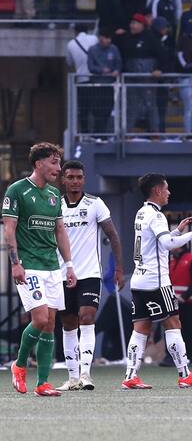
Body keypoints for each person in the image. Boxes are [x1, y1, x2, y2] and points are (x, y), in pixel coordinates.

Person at [122, 174, 192, 389]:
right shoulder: (157, 215)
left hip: (139, 281)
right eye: (167, 188)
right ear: (157, 190)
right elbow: (169, 244)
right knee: (173, 324)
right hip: (156, 282)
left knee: (140, 329)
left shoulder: (141, 212)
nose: (169, 193)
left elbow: (157, 242)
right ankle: (184, 374)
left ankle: (130, 376)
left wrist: (177, 230)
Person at [4, 143, 77, 397]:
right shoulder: (17, 190)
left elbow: (60, 231)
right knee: (40, 319)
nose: (59, 168)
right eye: (54, 163)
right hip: (29, 266)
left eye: (59, 162)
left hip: (52, 268)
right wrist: (15, 263)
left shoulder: (55, 195)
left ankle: (42, 383)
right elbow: (9, 229)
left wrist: (69, 265)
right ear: (38, 164)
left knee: (50, 324)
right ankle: (19, 364)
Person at [54, 161, 124, 391]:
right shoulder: (55, 206)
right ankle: (73, 378)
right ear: (63, 180)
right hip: (63, 274)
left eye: (79, 177)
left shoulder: (95, 204)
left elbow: (113, 235)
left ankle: (86, 374)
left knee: (87, 317)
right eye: (70, 177)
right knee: (68, 323)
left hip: (90, 273)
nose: (75, 181)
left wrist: (119, 268)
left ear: (84, 179)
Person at [121, 13, 167, 134]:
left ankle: (154, 131)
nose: (132, 26)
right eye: (131, 23)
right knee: (131, 105)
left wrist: (159, 69)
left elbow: (163, 55)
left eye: (135, 23)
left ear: (142, 25)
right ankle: (128, 132)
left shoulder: (151, 38)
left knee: (150, 104)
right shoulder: (127, 38)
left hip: (148, 78)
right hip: (131, 78)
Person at [169, 245, 192, 362]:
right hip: (175, 303)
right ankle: (182, 357)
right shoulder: (172, 261)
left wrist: (184, 297)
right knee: (178, 331)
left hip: (191, 303)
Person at [86, 29, 122, 135]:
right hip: (97, 84)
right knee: (97, 110)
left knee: (108, 109)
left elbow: (119, 63)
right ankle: (97, 133)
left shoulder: (114, 49)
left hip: (110, 84)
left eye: (108, 38)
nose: (107, 41)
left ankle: (105, 133)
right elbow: (91, 67)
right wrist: (102, 70)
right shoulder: (92, 50)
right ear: (100, 38)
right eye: (105, 38)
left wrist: (116, 71)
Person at [66, 25, 98, 135]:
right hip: (96, 78)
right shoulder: (94, 38)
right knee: (97, 106)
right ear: (87, 30)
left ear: (75, 32)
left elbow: (69, 62)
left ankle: (85, 132)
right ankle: (97, 132)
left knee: (83, 108)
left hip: (81, 79)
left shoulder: (71, 44)